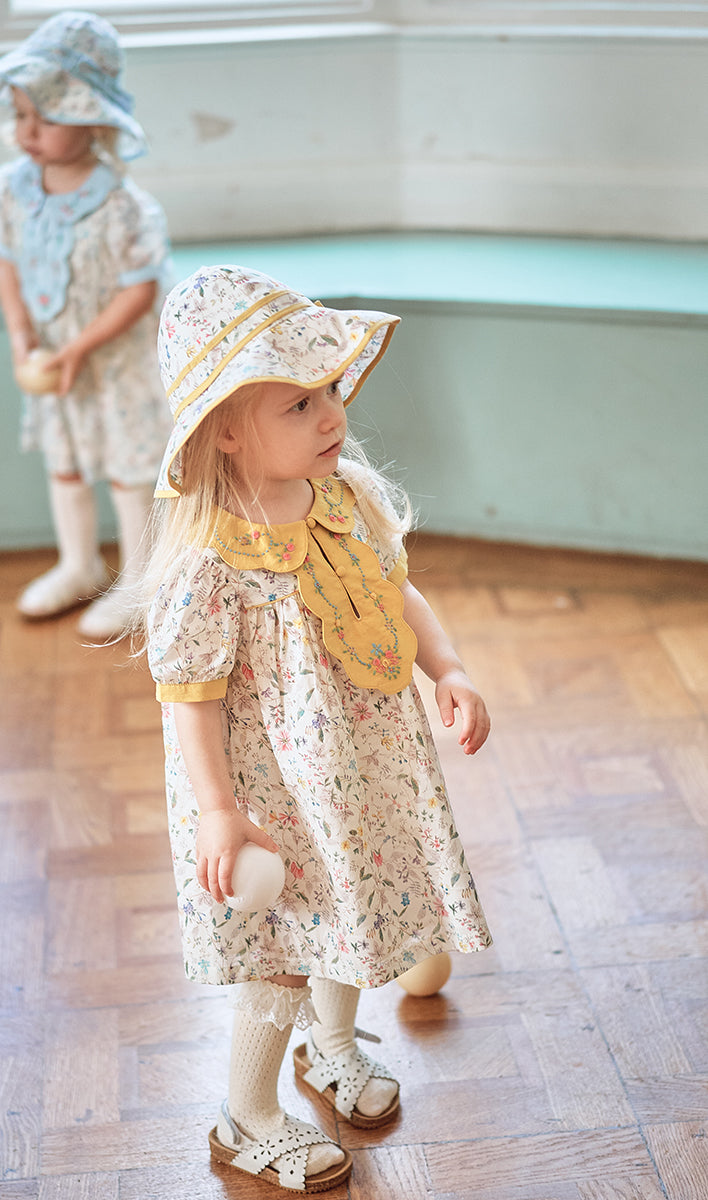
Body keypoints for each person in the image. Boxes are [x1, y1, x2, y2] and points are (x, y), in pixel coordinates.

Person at [142, 264, 493, 1192]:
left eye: (330, 389)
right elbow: (190, 696)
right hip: (270, 787)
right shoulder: (210, 560)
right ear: (225, 428)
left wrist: (448, 668)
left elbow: (396, 591)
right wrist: (220, 812)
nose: (332, 415)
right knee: (284, 947)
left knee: (354, 896)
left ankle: (331, 1043)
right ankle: (246, 1116)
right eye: (298, 403)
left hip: (357, 758)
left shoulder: (343, 496)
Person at [0, 11, 172, 638]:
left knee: (128, 470)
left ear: (93, 119)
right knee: (64, 461)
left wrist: (82, 347)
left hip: (117, 361)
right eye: (20, 115)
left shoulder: (122, 205)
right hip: (55, 358)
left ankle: (139, 583)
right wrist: (21, 336)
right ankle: (79, 563)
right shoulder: (10, 190)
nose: (27, 132)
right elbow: (7, 264)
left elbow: (139, 291)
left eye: (48, 118)